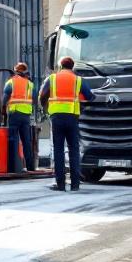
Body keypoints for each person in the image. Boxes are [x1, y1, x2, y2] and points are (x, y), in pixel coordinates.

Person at [38, 56, 94, 192]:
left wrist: (46, 109)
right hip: (73, 118)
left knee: (58, 151)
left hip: (56, 118)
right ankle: (75, 184)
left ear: (60, 66)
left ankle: (60, 184)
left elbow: (42, 96)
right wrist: (81, 106)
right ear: (72, 67)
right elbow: (90, 97)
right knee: (74, 150)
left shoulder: (51, 79)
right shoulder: (78, 80)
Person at [1, 62, 37, 172]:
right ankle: (30, 167)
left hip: (14, 114)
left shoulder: (10, 82)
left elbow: (5, 98)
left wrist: (3, 110)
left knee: (12, 139)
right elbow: (35, 100)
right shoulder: (30, 84)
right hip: (26, 116)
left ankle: (12, 167)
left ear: (15, 71)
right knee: (26, 141)